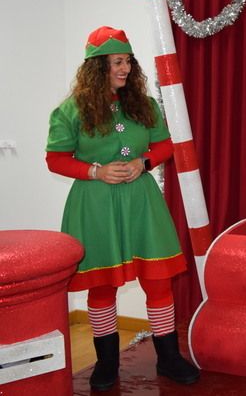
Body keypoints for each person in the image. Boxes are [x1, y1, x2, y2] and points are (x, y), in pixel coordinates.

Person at [45, 26, 199, 391]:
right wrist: (95, 171)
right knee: (102, 285)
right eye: (117, 62)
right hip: (95, 205)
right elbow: (55, 159)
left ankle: (168, 357)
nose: (125, 68)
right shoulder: (69, 111)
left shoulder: (143, 104)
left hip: (141, 201)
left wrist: (143, 163)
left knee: (158, 280)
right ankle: (107, 364)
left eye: (128, 61)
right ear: (97, 66)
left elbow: (164, 145)